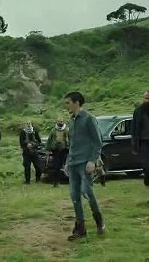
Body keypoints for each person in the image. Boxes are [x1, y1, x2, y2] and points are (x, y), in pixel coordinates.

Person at [63, 91, 105, 241]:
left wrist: (93, 161)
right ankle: (80, 228)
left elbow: (98, 142)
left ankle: (99, 219)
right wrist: (67, 162)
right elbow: (72, 144)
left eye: (68, 103)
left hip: (85, 163)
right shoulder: (71, 120)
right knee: (74, 195)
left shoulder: (88, 119)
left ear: (76, 102)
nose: (66, 106)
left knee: (87, 191)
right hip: (73, 163)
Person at [46, 117, 70, 187]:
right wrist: (47, 149)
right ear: (57, 122)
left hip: (64, 150)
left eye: (61, 121)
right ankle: (56, 182)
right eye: (59, 121)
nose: (60, 123)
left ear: (63, 122)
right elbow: (49, 140)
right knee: (56, 166)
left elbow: (70, 139)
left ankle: (68, 181)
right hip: (55, 150)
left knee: (64, 166)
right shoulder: (53, 130)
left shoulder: (67, 130)